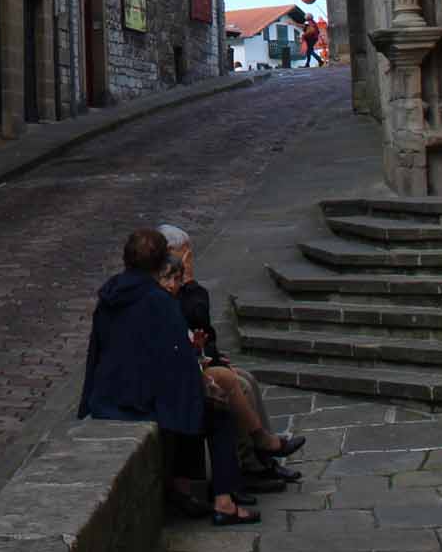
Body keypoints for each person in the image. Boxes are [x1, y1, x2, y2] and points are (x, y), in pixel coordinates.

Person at [79, 228, 260, 525]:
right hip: (135, 400)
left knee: (190, 405)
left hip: (108, 397)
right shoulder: (158, 301)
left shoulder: (110, 295)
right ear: (159, 262)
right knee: (214, 412)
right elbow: (177, 361)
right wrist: (204, 386)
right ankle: (225, 501)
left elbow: (96, 353)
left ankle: (183, 489)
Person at [157, 224, 306, 475]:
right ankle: (251, 461)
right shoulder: (170, 286)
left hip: (197, 359)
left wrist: (213, 355)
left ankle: (265, 458)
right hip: (180, 371)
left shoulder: (176, 285)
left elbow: (202, 332)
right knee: (238, 385)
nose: (189, 259)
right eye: (185, 254)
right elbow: (196, 318)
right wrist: (188, 280)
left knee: (248, 379)